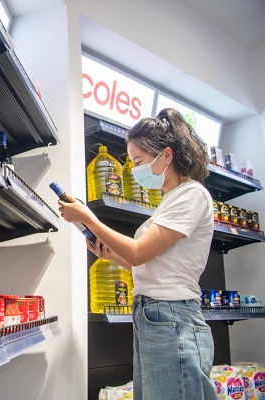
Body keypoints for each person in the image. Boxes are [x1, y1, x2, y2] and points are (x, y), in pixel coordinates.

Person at [58, 108, 216, 400]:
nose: (133, 170)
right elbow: (150, 266)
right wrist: (111, 256)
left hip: (171, 316)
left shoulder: (191, 195)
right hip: (153, 315)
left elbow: (140, 252)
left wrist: (88, 217)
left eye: (139, 162)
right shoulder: (168, 201)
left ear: (166, 155)